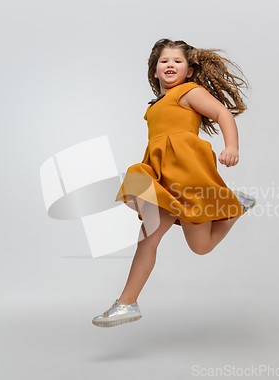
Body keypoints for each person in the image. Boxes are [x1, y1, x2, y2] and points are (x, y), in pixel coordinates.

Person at [92, 38, 256, 328]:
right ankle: (126, 303)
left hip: (187, 173)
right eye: (164, 61)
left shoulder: (189, 92)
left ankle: (234, 207)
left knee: (201, 247)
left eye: (177, 61)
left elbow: (221, 113)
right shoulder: (155, 104)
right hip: (160, 174)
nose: (170, 65)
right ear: (154, 71)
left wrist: (232, 147)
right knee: (148, 238)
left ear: (189, 71)